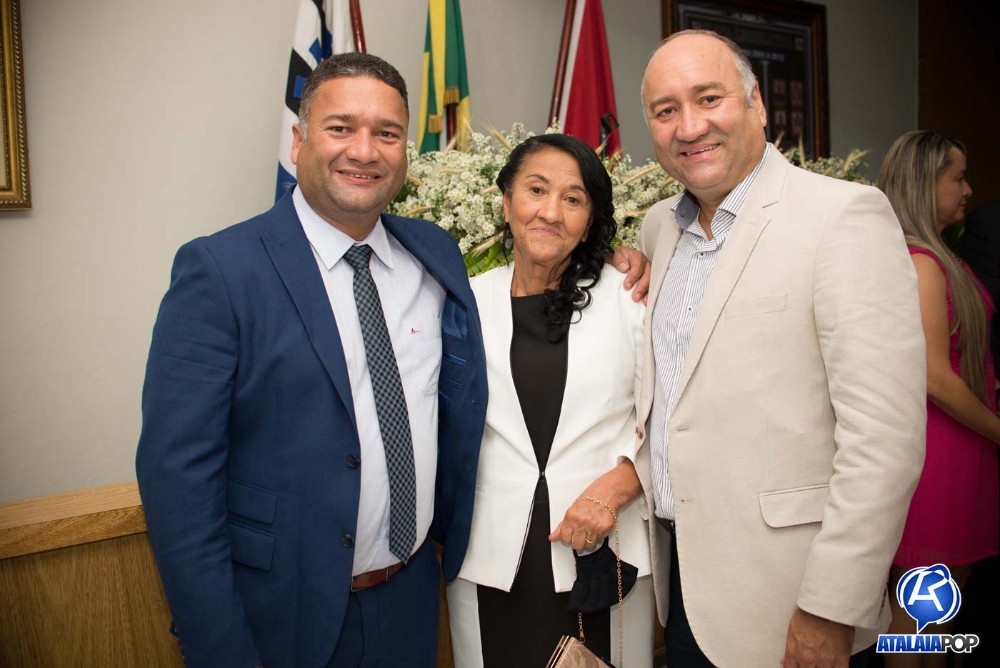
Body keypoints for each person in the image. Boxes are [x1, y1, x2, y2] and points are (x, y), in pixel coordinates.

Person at [136, 53, 649, 668]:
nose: (364, 150)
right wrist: (215, 645)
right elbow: (178, 478)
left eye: (386, 133)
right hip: (282, 610)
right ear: (298, 140)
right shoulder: (221, 271)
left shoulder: (431, 255)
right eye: (341, 128)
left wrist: (614, 255)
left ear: (404, 151)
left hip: (409, 598)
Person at [635, 30, 927, 668]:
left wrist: (832, 606)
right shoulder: (659, 228)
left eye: (709, 98)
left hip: (792, 598)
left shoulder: (843, 216)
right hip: (683, 587)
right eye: (665, 110)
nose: (689, 126)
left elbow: (884, 441)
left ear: (757, 104)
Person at [445, 133, 653, 668]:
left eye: (573, 198)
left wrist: (621, 484)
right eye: (536, 190)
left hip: (604, 556)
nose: (551, 212)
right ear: (506, 201)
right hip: (491, 558)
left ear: (591, 218)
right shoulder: (464, 302)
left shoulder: (630, 298)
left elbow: (675, 421)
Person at [878, 131, 1000, 668]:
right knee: (919, 609)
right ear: (925, 184)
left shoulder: (940, 256)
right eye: (958, 178)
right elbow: (933, 375)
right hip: (938, 452)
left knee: (939, 612)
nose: (968, 190)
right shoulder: (921, 262)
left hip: (964, 445)